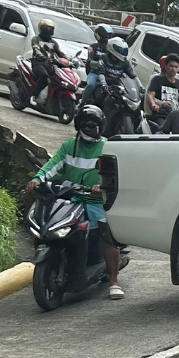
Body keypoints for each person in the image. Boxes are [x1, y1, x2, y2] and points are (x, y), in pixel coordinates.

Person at [26, 106, 125, 299]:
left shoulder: (107, 147)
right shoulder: (69, 146)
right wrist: (38, 178)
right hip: (71, 199)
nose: (90, 128)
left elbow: (114, 173)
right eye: (86, 125)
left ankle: (113, 281)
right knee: (47, 222)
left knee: (107, 234)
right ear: (79, 125)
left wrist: (101, 185)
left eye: (94, 125)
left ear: (101, 126)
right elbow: (52, 165)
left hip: (96, 201)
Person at [29, 18, 66, 106]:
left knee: (60, 78)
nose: (48, 30)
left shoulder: (53, 42)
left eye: (50, 28)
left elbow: (60, 53)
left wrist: (68, 60)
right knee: (44, 75)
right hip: (38, 63)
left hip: (50, 64)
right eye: (45, 28)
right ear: (40, 28)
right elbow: (36, 49)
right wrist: (43, 57)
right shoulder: (36, 39)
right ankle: (34, 95)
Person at [146, 53, 179, 117]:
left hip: (176, 117)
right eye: (171, 66)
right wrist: (154, 104)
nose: (173, 69)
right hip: (160, 114)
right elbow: (150, 95)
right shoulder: (157, 80)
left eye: (176, 67)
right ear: (166, 67)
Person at [81, 25, 112, 104]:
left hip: (108, 73)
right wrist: (98, 64)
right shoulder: (93, 47)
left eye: (109, 36)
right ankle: (82, 102)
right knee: (91, 85)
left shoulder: (111, 48)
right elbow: (89, 60)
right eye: (105, 36)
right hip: (94, 73)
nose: (107, 38)